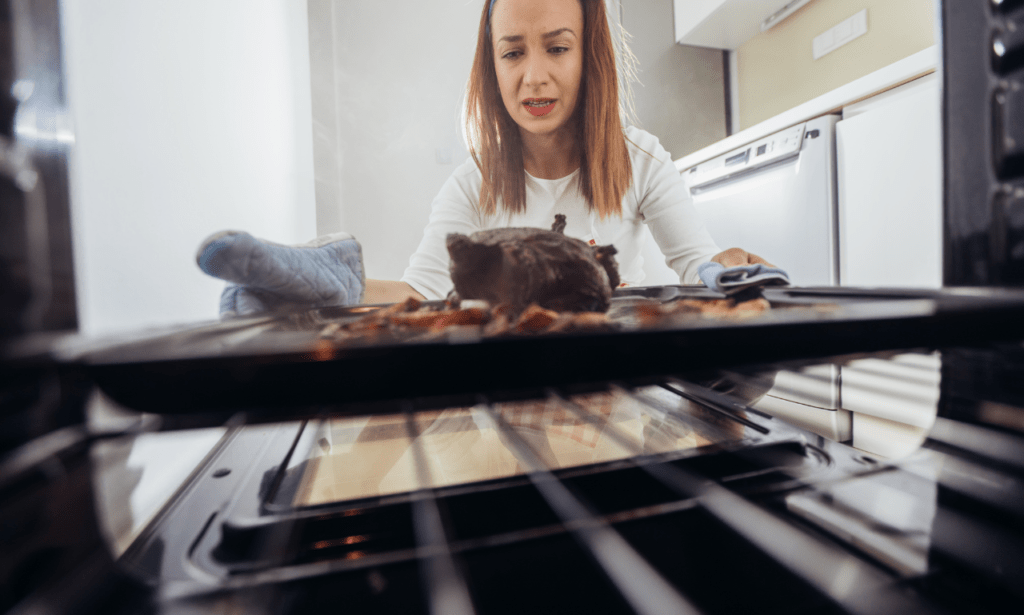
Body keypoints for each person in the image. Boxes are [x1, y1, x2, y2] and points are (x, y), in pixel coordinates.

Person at [361, 0, 769, 305]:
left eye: (557, 49)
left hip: (621, 391)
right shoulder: (473, 186)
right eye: (513, 53)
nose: (534, 78)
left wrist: (725, 269)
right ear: (493, 68)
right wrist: (333, 283)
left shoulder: (640, 160)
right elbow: (418, 295)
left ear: (588, 56)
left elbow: (700, 270)